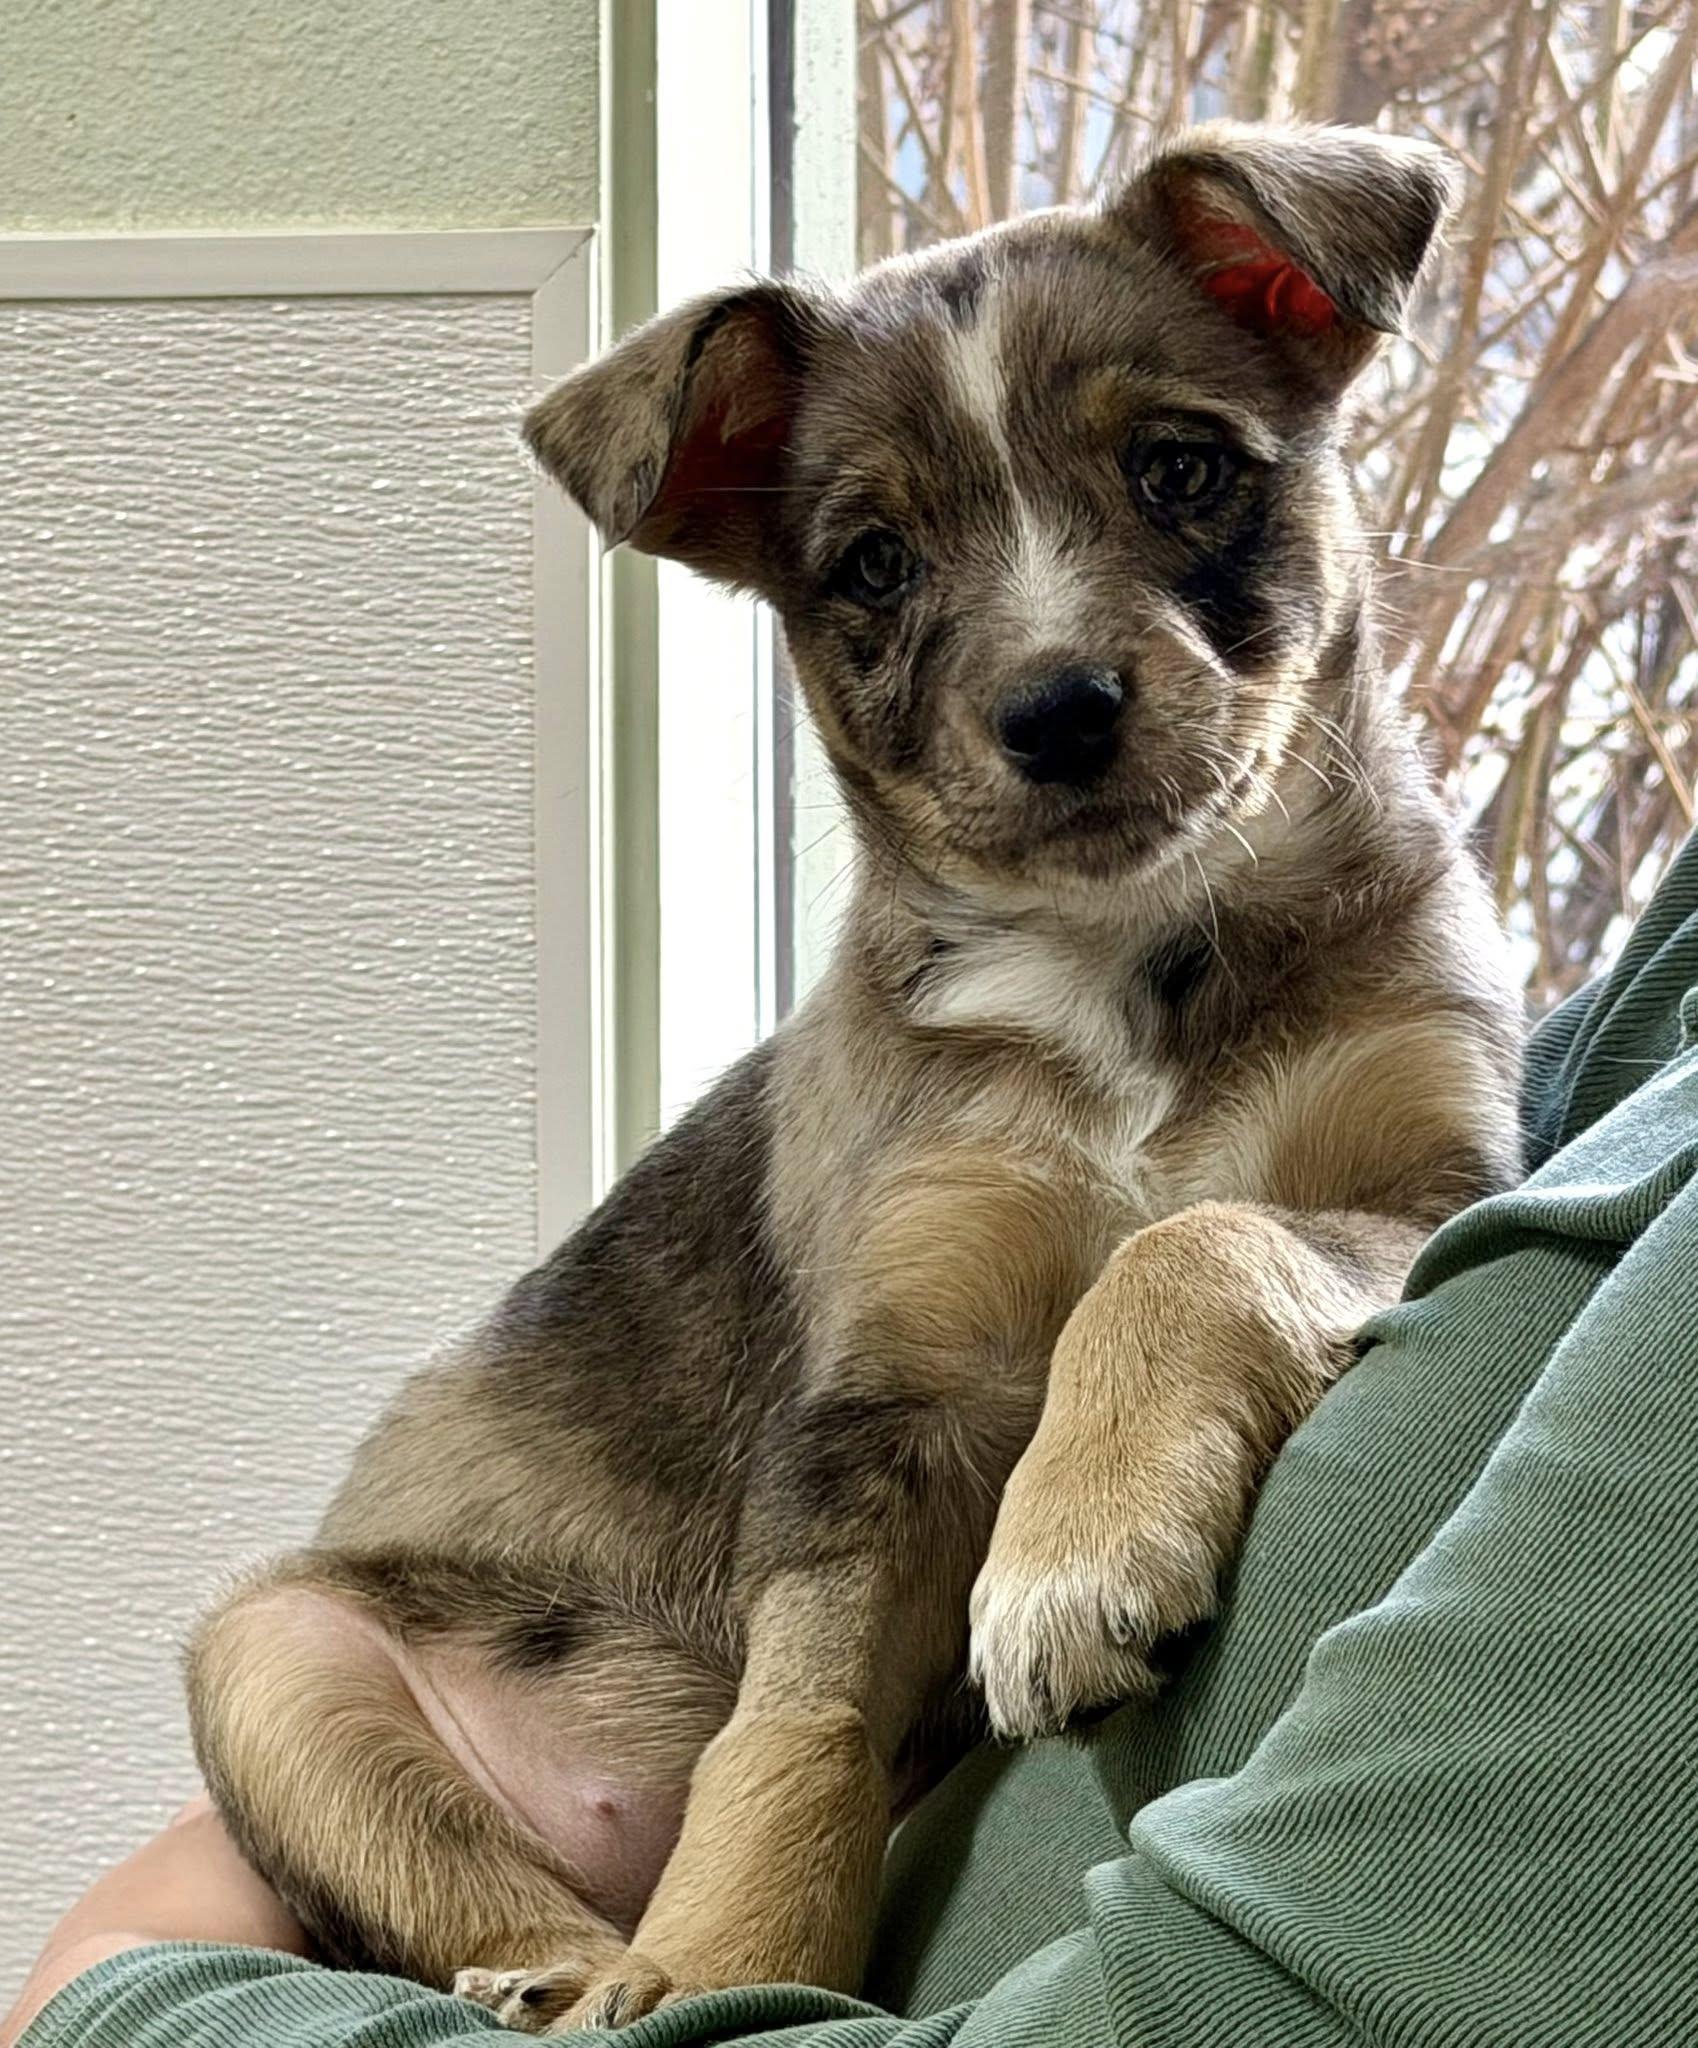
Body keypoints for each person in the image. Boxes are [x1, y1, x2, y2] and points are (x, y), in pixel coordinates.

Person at [9, 830, 1698, 2048]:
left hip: (909, 1776)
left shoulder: (1425, 987)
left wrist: (121, 1980)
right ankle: (559, 1981)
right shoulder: (1632, 1037)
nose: (1042, 659)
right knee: (271, 1650)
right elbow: (877, 1448)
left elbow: (1427, 1246)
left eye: (1178, 479)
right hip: (503, 1683)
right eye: (883, 570)